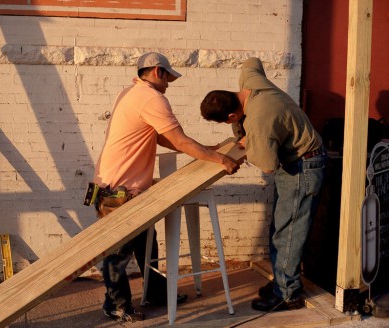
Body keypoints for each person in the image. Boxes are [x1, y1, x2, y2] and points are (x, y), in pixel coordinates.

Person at [93, 52, 240, 322]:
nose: (169, 84)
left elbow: (162, 137)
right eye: (168, 78)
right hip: (118, 193)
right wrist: (220, 159)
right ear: (158, 72)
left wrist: (206, 149)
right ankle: (116, 305)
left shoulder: (131, 93)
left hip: (124, 190)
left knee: (147, 246)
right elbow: (180, 141)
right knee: (118, 254)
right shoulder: (152, 98)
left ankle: (156, 293)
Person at [200, 57, 327, 312]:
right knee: (279, 230)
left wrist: (251, 142)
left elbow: (267, 165)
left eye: (229, 121)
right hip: (295, 163)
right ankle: (282, 282)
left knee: (288, 232)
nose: (232, 124)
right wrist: (248, 135)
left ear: (233, 114)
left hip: (303, 167)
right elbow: (252, 62)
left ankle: (288, 295)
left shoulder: (260, 120)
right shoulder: (250, 82)